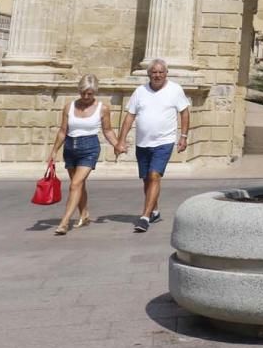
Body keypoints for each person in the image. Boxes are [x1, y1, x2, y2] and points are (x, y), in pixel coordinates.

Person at [115, 60, 190, 233]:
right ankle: (154, 210)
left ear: (166, 73)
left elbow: (184, 112)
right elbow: (129, 116)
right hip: (143, 142)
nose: (157, 75)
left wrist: (183, 136)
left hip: (164, 141)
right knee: (147, 179)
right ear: (149, 74)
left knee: (154, 175)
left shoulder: (175, 90)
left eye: (160, 72)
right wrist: (121, 140)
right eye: (154, 72)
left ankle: (145, 217)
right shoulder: (140, 92)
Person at [46, 74, 120, 235]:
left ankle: (64, 222)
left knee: (75, 184)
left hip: (89, 148)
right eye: (83, 93)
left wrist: (117, 144)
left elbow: (107, 130)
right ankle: (84, 213)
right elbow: (62, 130)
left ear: (95, 93)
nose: (86, 97)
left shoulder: (103, 108)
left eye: (90, 94)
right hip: (70, 148)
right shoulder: (69, 107)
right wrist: (54, 151)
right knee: (79, 185)